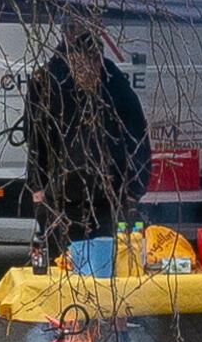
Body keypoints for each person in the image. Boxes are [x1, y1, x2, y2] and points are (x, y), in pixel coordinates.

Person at [24, 21, 150, 255]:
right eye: (83, 61)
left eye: (95, 61)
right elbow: (35, 139)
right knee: (64, 264)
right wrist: (37, 188)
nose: (90, 69)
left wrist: (136, 188)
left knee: (109, 260)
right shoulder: (46, 81)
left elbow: (137, 134)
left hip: (109, 197)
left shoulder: (113, 81)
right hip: (61, 198)